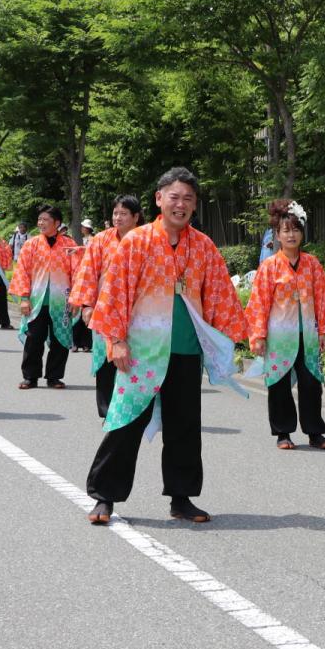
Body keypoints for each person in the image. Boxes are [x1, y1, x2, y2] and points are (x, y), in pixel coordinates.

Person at [85, 167, 248, 525]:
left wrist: (230, 339)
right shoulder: (137, 241)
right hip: (141, 349)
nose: (181, 204)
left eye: (188, 198)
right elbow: (115, 292)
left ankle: (181, 497)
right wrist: (116, 340)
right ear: (159, 199)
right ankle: (104, 497)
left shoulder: (203, 246)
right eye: (174, 196)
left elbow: (219, 294)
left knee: (185, 426)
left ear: (195, 205)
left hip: (185, 349)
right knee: (126, 420)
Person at [245, 200, 325, 450]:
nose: (291, 235)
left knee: (311, 384)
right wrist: (258, 335)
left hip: (307, 335)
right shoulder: (269, 266)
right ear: (277, 235)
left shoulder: (312, 263)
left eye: (296, 229)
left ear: (302, 233)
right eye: (286, 230)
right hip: (279, 336)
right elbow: (259, 302)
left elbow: (323, 297)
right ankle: (283, 433)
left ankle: (315, 433)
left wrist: (323, 331)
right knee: (278, 384)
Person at [69, 194, 144, 418]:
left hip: (138, 311)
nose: (117, 218)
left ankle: (136, 409)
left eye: (123, 214)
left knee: (137, 358)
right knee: (105, 357)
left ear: (136, 217)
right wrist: (86, 305)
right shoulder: (101, 240)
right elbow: (87, 272)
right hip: (105, 310)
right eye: (115, 213)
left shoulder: (147, 240)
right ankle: (107, 410)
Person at [10, 204, 75, 389]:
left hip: (61, 301)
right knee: (33, 339)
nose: (41, 223)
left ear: (57, 223)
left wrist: (76, 299)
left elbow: (78, 272)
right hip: (36, 301)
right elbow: (22, 271)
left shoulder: (69, 245)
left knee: (60, 340)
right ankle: (30, 376)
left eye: (46, 220)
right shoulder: (31, 244)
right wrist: (24, 298)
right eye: (40, 219)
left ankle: (54, 377)